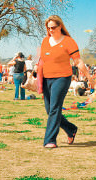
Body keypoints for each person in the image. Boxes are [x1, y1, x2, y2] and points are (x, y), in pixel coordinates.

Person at [39, 15, 91, 148]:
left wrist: (89, 77)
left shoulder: (68, 41)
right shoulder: (45, 41)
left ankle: (50, 140)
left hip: (62, 77)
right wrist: (36, 77)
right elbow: (42, 60)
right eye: (48, 28)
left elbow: (78, 61)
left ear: (60, 26)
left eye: (53, 27)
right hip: (47, 78)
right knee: (49, 110)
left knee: (55, 108)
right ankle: (70, 129)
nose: (51, 30)